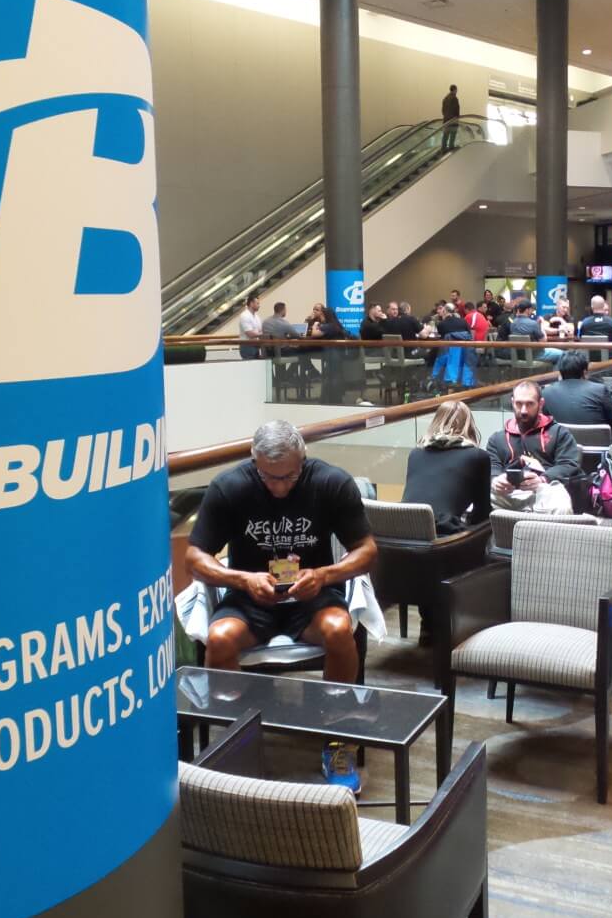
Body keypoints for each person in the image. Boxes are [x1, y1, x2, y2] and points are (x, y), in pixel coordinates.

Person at [187, 420, 377, 790]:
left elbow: (367, 551)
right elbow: (194, 559)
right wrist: (242, 579)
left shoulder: (331, 482)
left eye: (289, 476)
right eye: (268, 477)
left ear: (303, 460)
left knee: (339, 630)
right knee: (220, 638)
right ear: (254, 460)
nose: (279, 487)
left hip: (311, 597)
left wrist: (323, 575)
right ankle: (237, 742)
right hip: (251, 598)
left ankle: (337, 741)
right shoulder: (230, 486)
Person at [401, 404, 492, 644]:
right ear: (469, 425)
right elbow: (483, 513)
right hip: (440, 547)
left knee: (432, 536)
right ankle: (471, 621)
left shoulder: (415, 453)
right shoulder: (477, 457)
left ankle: (428, 624)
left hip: (399, 544)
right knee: (480, 538)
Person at [486, 380, 583, 513]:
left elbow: (568, 464)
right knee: (476, 495)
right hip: (508, 493)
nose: (524, 410)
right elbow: (492, 466)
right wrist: (496, 479)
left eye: (530, 404)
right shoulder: (497, 439)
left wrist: (543, 479)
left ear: (541, 404)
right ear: (512, 402)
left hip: (545, 490)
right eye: (519, 404)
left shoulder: (559, 433)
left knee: (561, 505)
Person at [542, 350, 612, 434]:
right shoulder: (600, 390)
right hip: (598, 442)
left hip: (560, 441)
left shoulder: (546, 393)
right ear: (585, 372)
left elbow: (545, 423)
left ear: (560, 373)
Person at [237, 296, 263, 360]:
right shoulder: (244, 316)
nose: (259, 306)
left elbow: (260, 330)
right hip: (247, 346)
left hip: (255, 345)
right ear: (251, 303)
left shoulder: (256, 316)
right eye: (257, 303)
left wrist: (262, 333)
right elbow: (250, 334)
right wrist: (264, 334)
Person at [440, 84, 460, 151]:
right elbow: (456, 109)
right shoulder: (454, 98)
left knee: (445, 135)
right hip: (453, 120)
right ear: (454, 90)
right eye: (456, 90)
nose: (457, 91)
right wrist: (457, 118)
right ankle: (451, 148)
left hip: (446, 120)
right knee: (453, 135)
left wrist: (446, 116)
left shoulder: (445, 98)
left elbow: (443, 110)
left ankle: (443, 148)